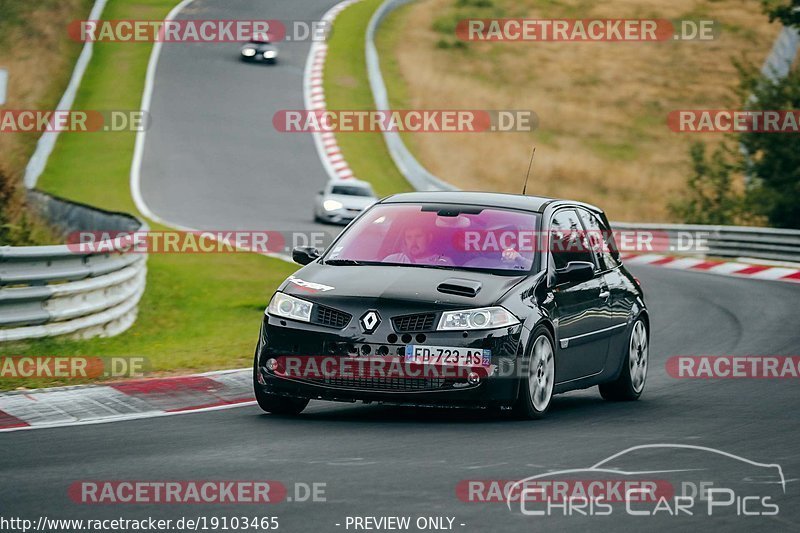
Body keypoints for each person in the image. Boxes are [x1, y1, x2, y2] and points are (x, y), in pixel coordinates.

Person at [383, 226, 452, 265]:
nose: (413, 242)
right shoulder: (393, 260)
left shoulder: (443, 263)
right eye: (409, 237)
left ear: (429, 238)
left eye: (418, 236)